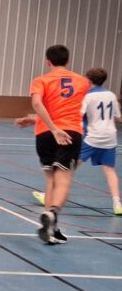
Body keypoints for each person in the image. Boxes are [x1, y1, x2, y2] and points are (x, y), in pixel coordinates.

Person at [13, 44, 90, 243]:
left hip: (44, 133)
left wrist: (42, 123)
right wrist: (57, 129)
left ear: (48, 61)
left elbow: (38, 104)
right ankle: (53, 213)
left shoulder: (41, 81)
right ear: (68, 60)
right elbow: (70, 108)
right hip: (69, 132)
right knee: (64, 178)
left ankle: (51, 229)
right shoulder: (82, 82)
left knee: (50, 180)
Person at [27, 67, 121, 216]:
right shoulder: (111, 95)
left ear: (88, 80)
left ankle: (50, 196)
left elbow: (77, 114)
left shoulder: (87, 96)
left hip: (92, 137)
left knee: (65, 168)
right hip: (110, 136)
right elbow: (118, 117)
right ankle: (117, 203)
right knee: (109, 169)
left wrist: (37, 120)